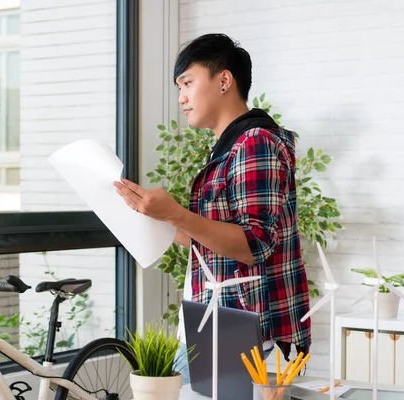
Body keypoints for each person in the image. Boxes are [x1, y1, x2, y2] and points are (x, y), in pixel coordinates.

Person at [114, 33, 311, 383]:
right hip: (218, 325)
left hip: (250, 336)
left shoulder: (255, 143)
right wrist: (145, 216)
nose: (181, 98)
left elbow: (255, 245)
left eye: (187, 83)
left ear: (224, 80)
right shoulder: (229, 147)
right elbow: (208, 244)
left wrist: (176, 212)